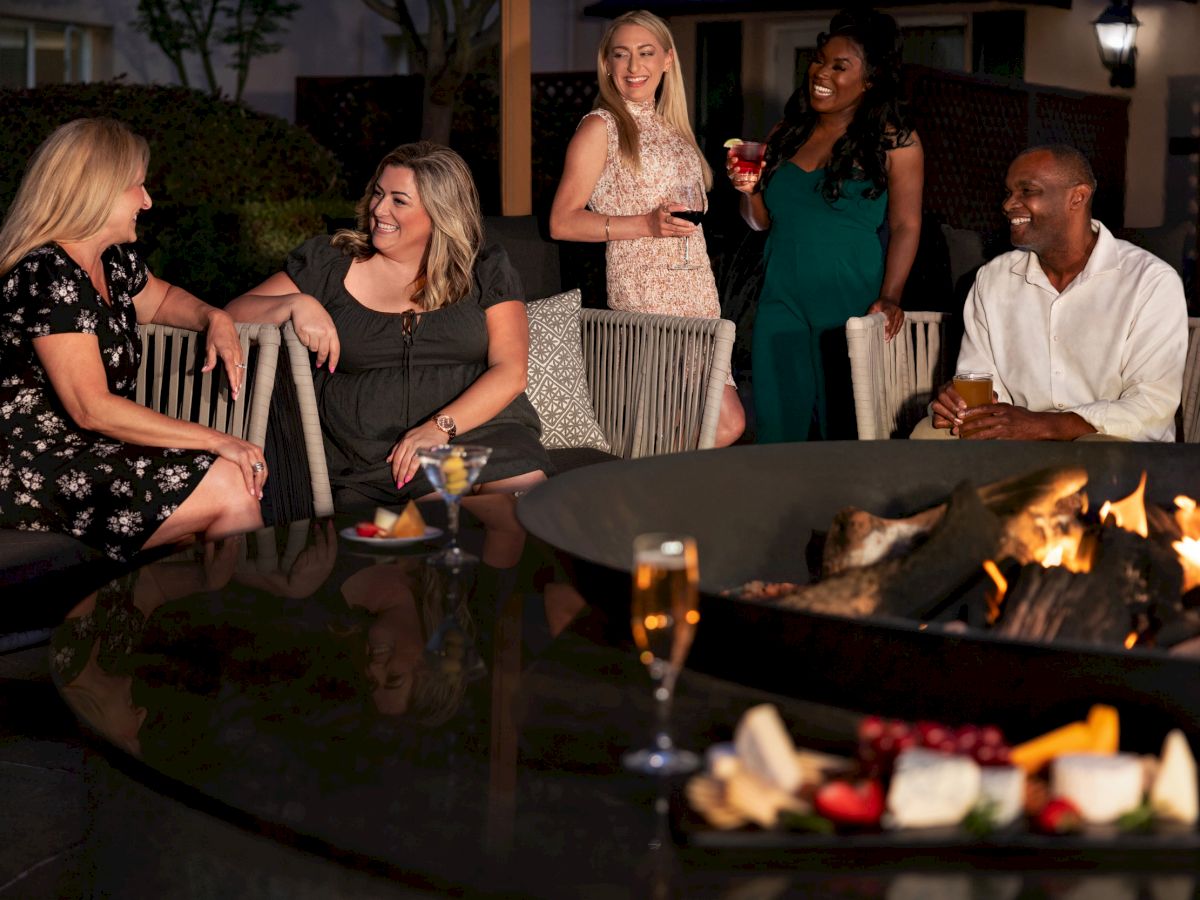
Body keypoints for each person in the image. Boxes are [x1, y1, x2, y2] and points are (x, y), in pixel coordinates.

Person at [226, 142, 550, 511]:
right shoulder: (331, 265)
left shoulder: (483, 270)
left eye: (399, 200)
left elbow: (511, 371)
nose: (379, 209)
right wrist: (296, 303)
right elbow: (234, 313)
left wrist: (439, 428)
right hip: (377, 457)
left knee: (516, 525)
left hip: (484, 433)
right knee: (437, 533)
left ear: (439, 213)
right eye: (378, 194)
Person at [0, 118, 266, 562]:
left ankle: (203, 618)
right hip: (29, 469)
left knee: (227, 489)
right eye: (137, 187)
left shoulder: (114, 262)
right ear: (97, 190)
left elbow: (163, 302)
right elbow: (91, 408)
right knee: (229, 482)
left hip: (87, 456)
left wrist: (214, 316)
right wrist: (217, 439)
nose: (147, 201)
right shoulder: (46, 272)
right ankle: (229, 622)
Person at [549, 9, 745, 447]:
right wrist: (645, 224)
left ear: (667, 60)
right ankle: (645, 487)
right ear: (607, 64)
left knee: (692, 422)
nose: (634, 67)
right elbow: (562, 221)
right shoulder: (601, 127)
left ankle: (656, 495)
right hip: (646, 296)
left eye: (645, 53)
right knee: (724, 422)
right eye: (621, 55)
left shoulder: (675, 130)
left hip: (698, 296)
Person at [730, 8, 923, 443]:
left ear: (869, 79)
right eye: (819, 60)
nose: (822, 72)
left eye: (840, 66)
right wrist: (748, 189)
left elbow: (907, 225)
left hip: (849, 305)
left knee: (847, 434)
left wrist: (890, 296)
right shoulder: (785, 133)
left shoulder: (896, 141)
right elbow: (761, 222)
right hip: (781, 302)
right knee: (778, 434)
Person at [921, 145, 1187, 442]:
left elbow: (1152, 405)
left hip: (1114, 446)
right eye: (1008, 192)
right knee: (928, 435)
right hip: (1016, 444)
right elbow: (981, 381)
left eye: (1027, 191)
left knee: (1098, 446)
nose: (1009, 204)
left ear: (1077, 197)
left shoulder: (1151, 282)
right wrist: (958, 403)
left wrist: (1045, 425)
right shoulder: (992, 279)